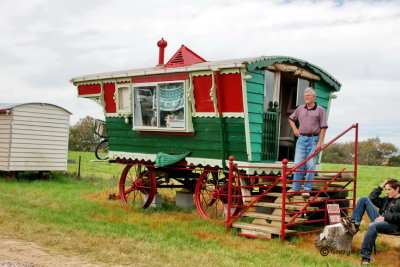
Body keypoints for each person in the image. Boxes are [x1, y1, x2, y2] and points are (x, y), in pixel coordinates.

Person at [341, 178, 400, 265]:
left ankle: (366, 257)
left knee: (373, 225)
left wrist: (385, 217)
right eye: (386, 189)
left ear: (397, 189)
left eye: (389, 189)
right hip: (380, 220)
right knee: (364, 199)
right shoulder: (386, 199)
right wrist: (382, 185)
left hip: (394, 226)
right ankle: (354, 225)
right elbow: (372, 198)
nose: (386, 192)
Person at [287, 87, 327, 198]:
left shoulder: (320, 110)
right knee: (298, 164)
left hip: (314, 139)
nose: (306, 97)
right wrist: (295, 129)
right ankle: (295, 189)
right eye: (305, 95)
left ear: (313, 97)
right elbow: (291, 119)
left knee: (310, 165)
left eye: (308, 95)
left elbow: (323, 127)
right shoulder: (300, 109)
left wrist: (320, 142)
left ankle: (306, 190)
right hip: (301, 140)